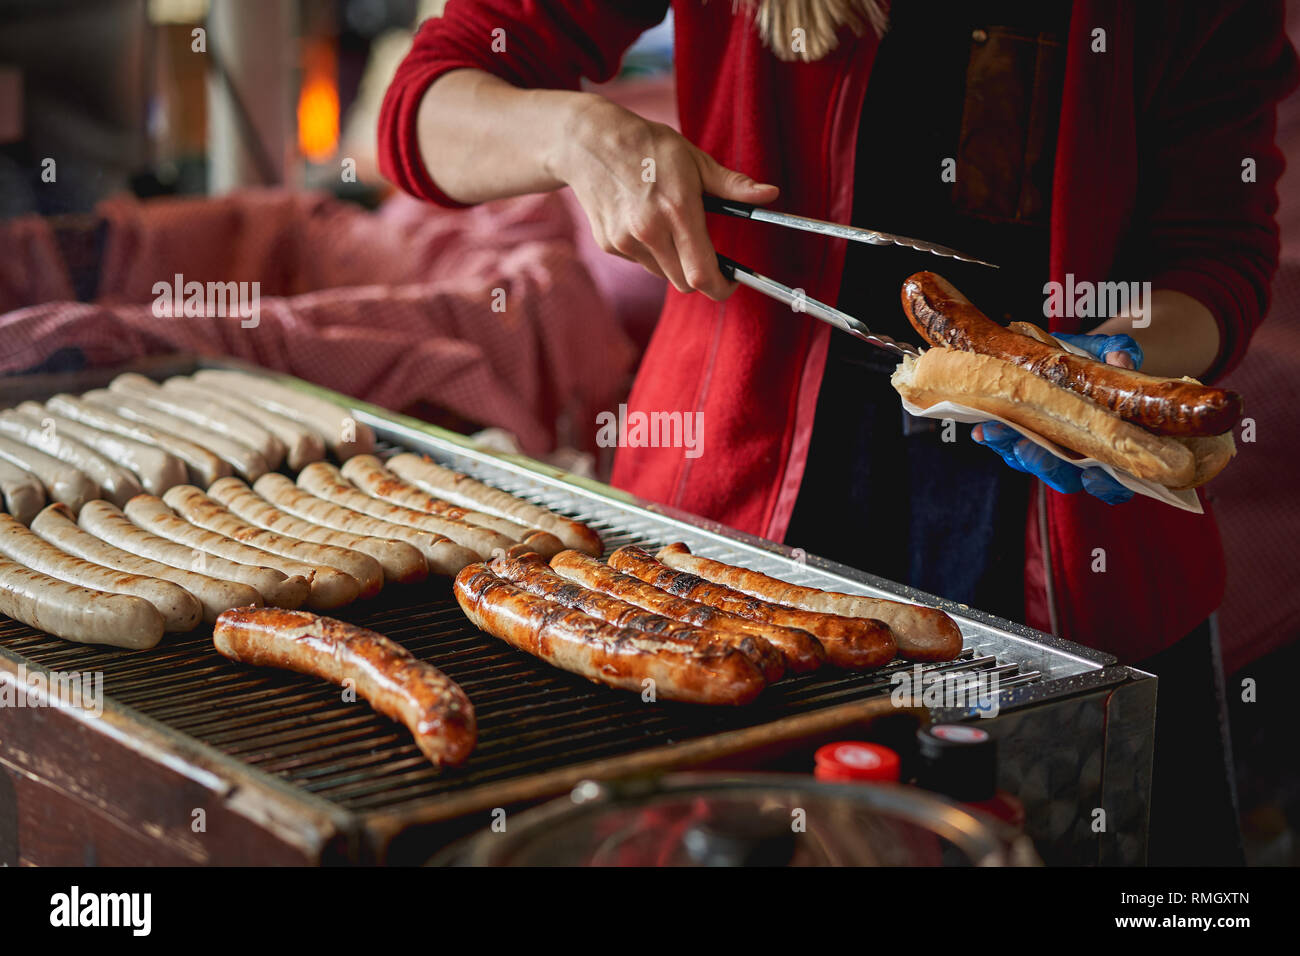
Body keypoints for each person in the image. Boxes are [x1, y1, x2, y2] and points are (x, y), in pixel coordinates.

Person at [380, 1, 1298, 864]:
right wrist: (578, 136)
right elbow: (420, 112)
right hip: (734, 527)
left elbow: (1218, 251)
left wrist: (1112, 363)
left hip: (1079, 537)